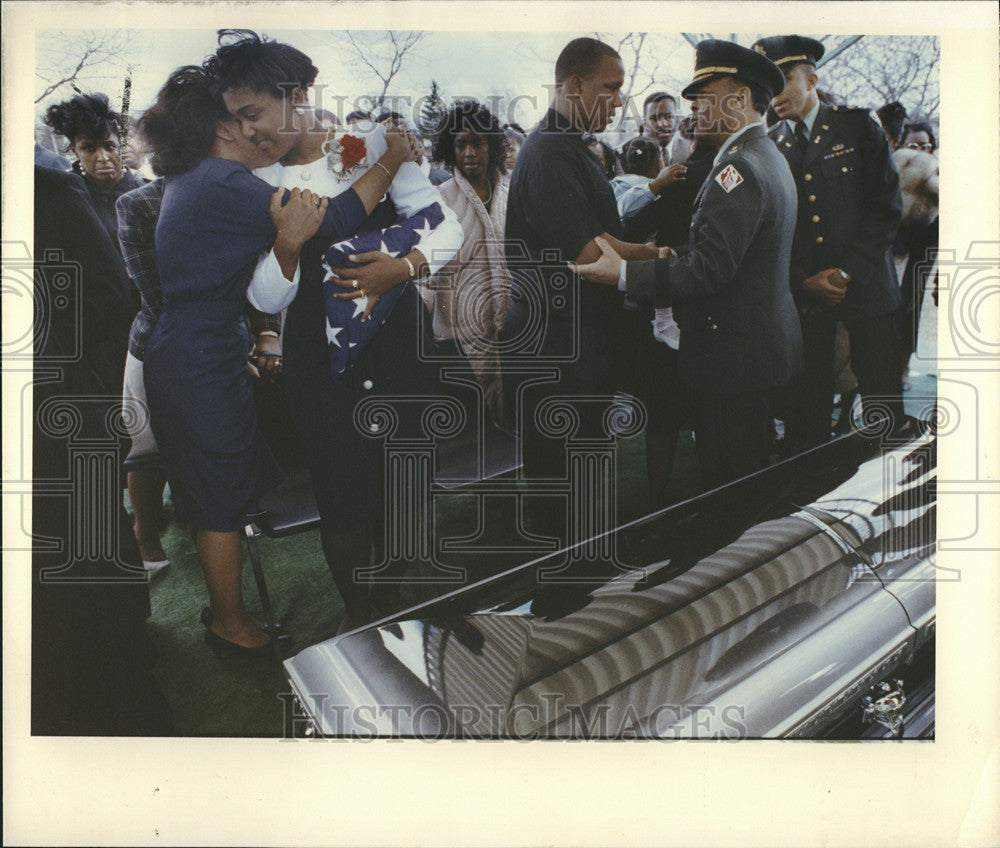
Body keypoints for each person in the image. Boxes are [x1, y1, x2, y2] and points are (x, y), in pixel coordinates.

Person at [138, 64, 414, 654]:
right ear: (220, 124)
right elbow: (333, 218)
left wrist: (287, 245)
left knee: (216, 486)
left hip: (198, 350)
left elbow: (269, 276)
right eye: (243, 117)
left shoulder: (195, 177)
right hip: (200, 355)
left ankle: (228, 612)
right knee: (218, 498)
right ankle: (230, 625)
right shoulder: (224, 182)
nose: (257, 131)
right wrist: (390, 158)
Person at [208, 30, 464, 633]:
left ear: (297, 95)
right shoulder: (251, 178)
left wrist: (401, 268)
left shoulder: (373, 144)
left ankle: (395, 600)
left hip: (398, 341)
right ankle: (357, 613)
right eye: (235, 120)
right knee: (342, 494)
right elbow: (265, 296)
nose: (248, 132)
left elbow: (446, 227)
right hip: (317, 363)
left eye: (255, 114)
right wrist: (289, 248)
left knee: (403, 488)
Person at [572, 39, 802, 490]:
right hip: (750, 352)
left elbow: (708, 270)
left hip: (732, 360)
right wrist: (661, 256)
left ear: (738, 99)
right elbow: (725, 255)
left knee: (731, 483)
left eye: (703, 97)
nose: (691, 108)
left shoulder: (739, 169)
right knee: (741, 474)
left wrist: (621, 273)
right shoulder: (762, 155)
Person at [33, 164, 172, 733]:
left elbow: (112, 294)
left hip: (59, 412)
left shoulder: (44, 186)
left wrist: (83, 392)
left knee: (81, 566)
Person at [504, 36, 658, 533]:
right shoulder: (551, 152)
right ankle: (568, 595)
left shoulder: (565, 146)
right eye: (611, 88)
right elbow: (590, 255)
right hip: (557, 354)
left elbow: (597, 234)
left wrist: (645, 252)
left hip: (570, 346)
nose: (618, 102)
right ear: (575, 84)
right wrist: (658, 257)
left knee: (578, 479)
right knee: (566, 493)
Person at [753, 35, 905, 449]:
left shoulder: (856, 125)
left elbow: (886, 208)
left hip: (868, 287)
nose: (774, 94)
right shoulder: (772, 144)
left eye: (783, 80)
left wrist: (846, 270)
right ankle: (810, 492)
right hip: (810, 297)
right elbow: (778, 228)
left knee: (881, 399)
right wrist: (803, 280)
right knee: (808, 406)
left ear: (812, 79)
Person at [425, 100, 512, 424]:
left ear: (492, 144)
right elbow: (427, 268)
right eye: (461, 144)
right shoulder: (439, 198)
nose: (470, 152)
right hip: (457, 326)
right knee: (472, 425)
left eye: (478, 142)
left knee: (509, 416)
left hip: (508, 322)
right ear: (451, 147)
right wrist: (425, 317)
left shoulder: (510, 193)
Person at [43, 93, 148, 248]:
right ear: (75, 151)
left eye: (109, 146)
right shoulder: (62, 196)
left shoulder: (145, 193)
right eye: (89, 148)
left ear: (120, 145)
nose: (102, 157)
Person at [611, 136, 687, 223]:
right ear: (658, 163)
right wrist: (657, 185)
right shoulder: (654, 187)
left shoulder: (615, 186)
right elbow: (624, 207)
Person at [640, 91, 680, 161]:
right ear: (645, 124)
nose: (662, 124)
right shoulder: (630, 154)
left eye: (669, 117)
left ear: (677, 120)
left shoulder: (692, 150)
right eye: (654, 118)